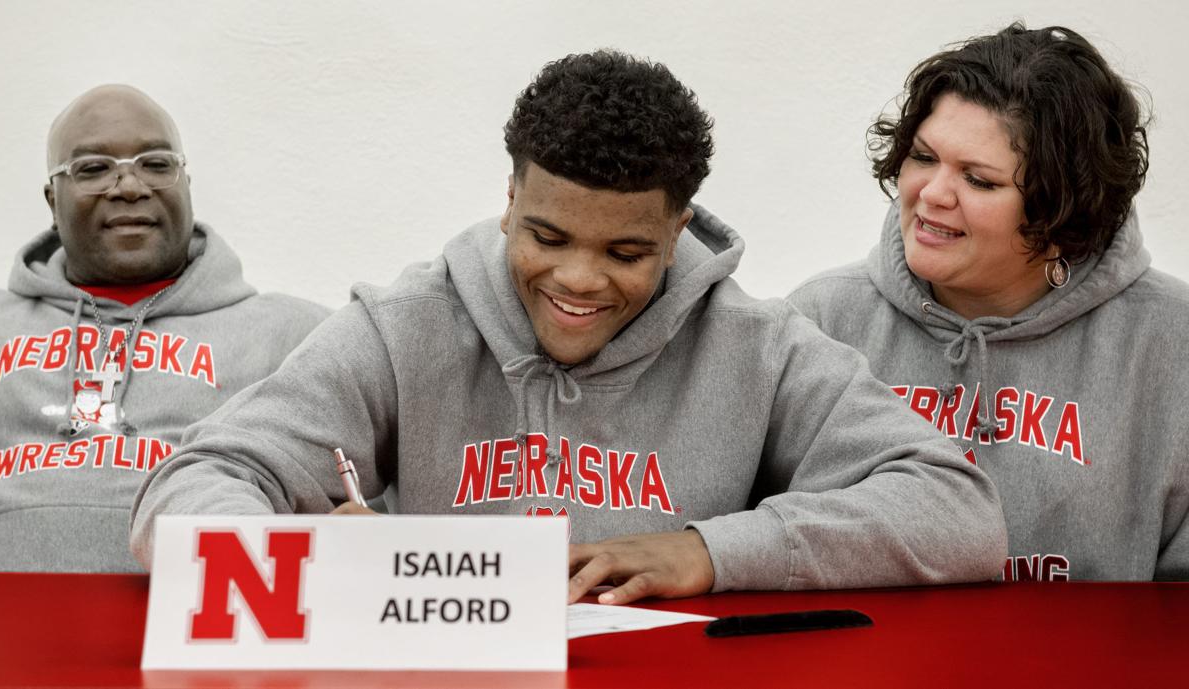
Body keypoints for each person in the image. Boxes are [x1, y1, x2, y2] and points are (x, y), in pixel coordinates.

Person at [131, 51, 1006, 603]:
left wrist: (709, 550)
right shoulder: (406, 326)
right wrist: (296, 549)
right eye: (547, 237)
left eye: (627, 250)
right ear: (509, 201)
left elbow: (958, 512)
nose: (579, 279)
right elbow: (198, 478)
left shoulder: (757, 346)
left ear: (678, 227)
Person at [790, 24, 1189, 581]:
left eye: (978, 180)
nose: (932, 194)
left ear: (1060, 213)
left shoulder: (1172, 340)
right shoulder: (821, 321)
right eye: (924, 157)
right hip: (873, 665)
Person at [0, 85, 330, 573]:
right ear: (52, 199)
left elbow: (362, 504)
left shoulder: (294, 334)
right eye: (93, 168)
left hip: (207, 626)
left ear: (185, 181)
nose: (129, 186)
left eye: (155, 163)